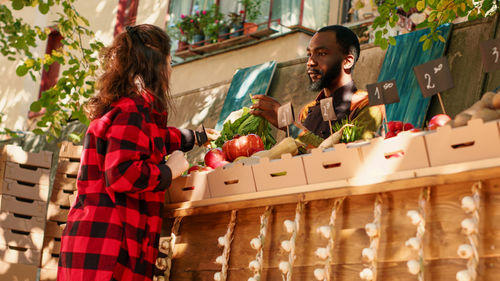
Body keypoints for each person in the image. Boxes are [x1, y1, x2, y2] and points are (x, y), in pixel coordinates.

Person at [57, 24, 215, 281]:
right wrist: (168, 171)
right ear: (156, 67)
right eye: (170, 61)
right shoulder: (133, 110)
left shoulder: (120, 108)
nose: (171, 69)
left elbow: (146, 141)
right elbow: (122, 174)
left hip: (94, 243)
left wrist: (193, 137)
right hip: (110, 248)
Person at [250, 25, 382, 145]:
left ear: (347, 61)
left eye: (322, 54)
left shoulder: (367, 104)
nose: (310, 62)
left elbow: (348, 156)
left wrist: (290, 126)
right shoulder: (307, 110)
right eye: (309, 54)